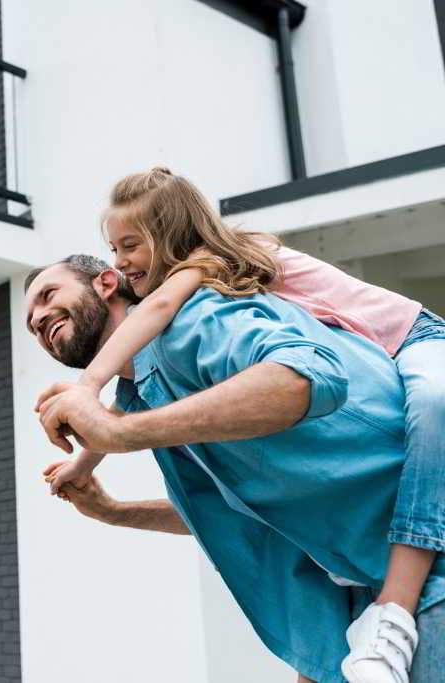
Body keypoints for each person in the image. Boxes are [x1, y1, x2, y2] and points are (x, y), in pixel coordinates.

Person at [39, 168, 445, 683]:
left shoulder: (200, 309)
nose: (37, 317)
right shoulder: (146, 391)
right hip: (362, 595)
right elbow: (247, 512)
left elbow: (309, 376)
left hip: (421, 568)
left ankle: (396, 605)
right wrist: (113, 508)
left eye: (48, 295)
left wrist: (98, 408)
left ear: (108, 283)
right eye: (30, 314)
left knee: (433, 399)